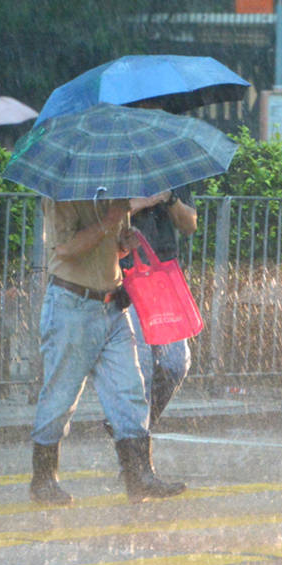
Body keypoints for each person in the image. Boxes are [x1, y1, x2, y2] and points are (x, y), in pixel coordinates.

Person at [29, 193, 186, 506]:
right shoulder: (63, 198)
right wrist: (110, 222)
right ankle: (44, 479)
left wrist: (124, 244)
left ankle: (139, 475)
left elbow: (108, 248)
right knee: (61, 397)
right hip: (73, 306)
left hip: (113, 306)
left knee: (129, 391)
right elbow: (65, 250)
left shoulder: (113, 197)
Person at [103, 183, 197, 437]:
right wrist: (144, 201)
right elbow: (104, 219)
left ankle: (133, 427)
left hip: (163, 276)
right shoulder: (116, 170)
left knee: (175, 363)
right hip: (126, 277)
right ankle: (135, 452)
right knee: (140, 366)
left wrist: (170, 198)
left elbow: (189, 225)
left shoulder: (170, 171)